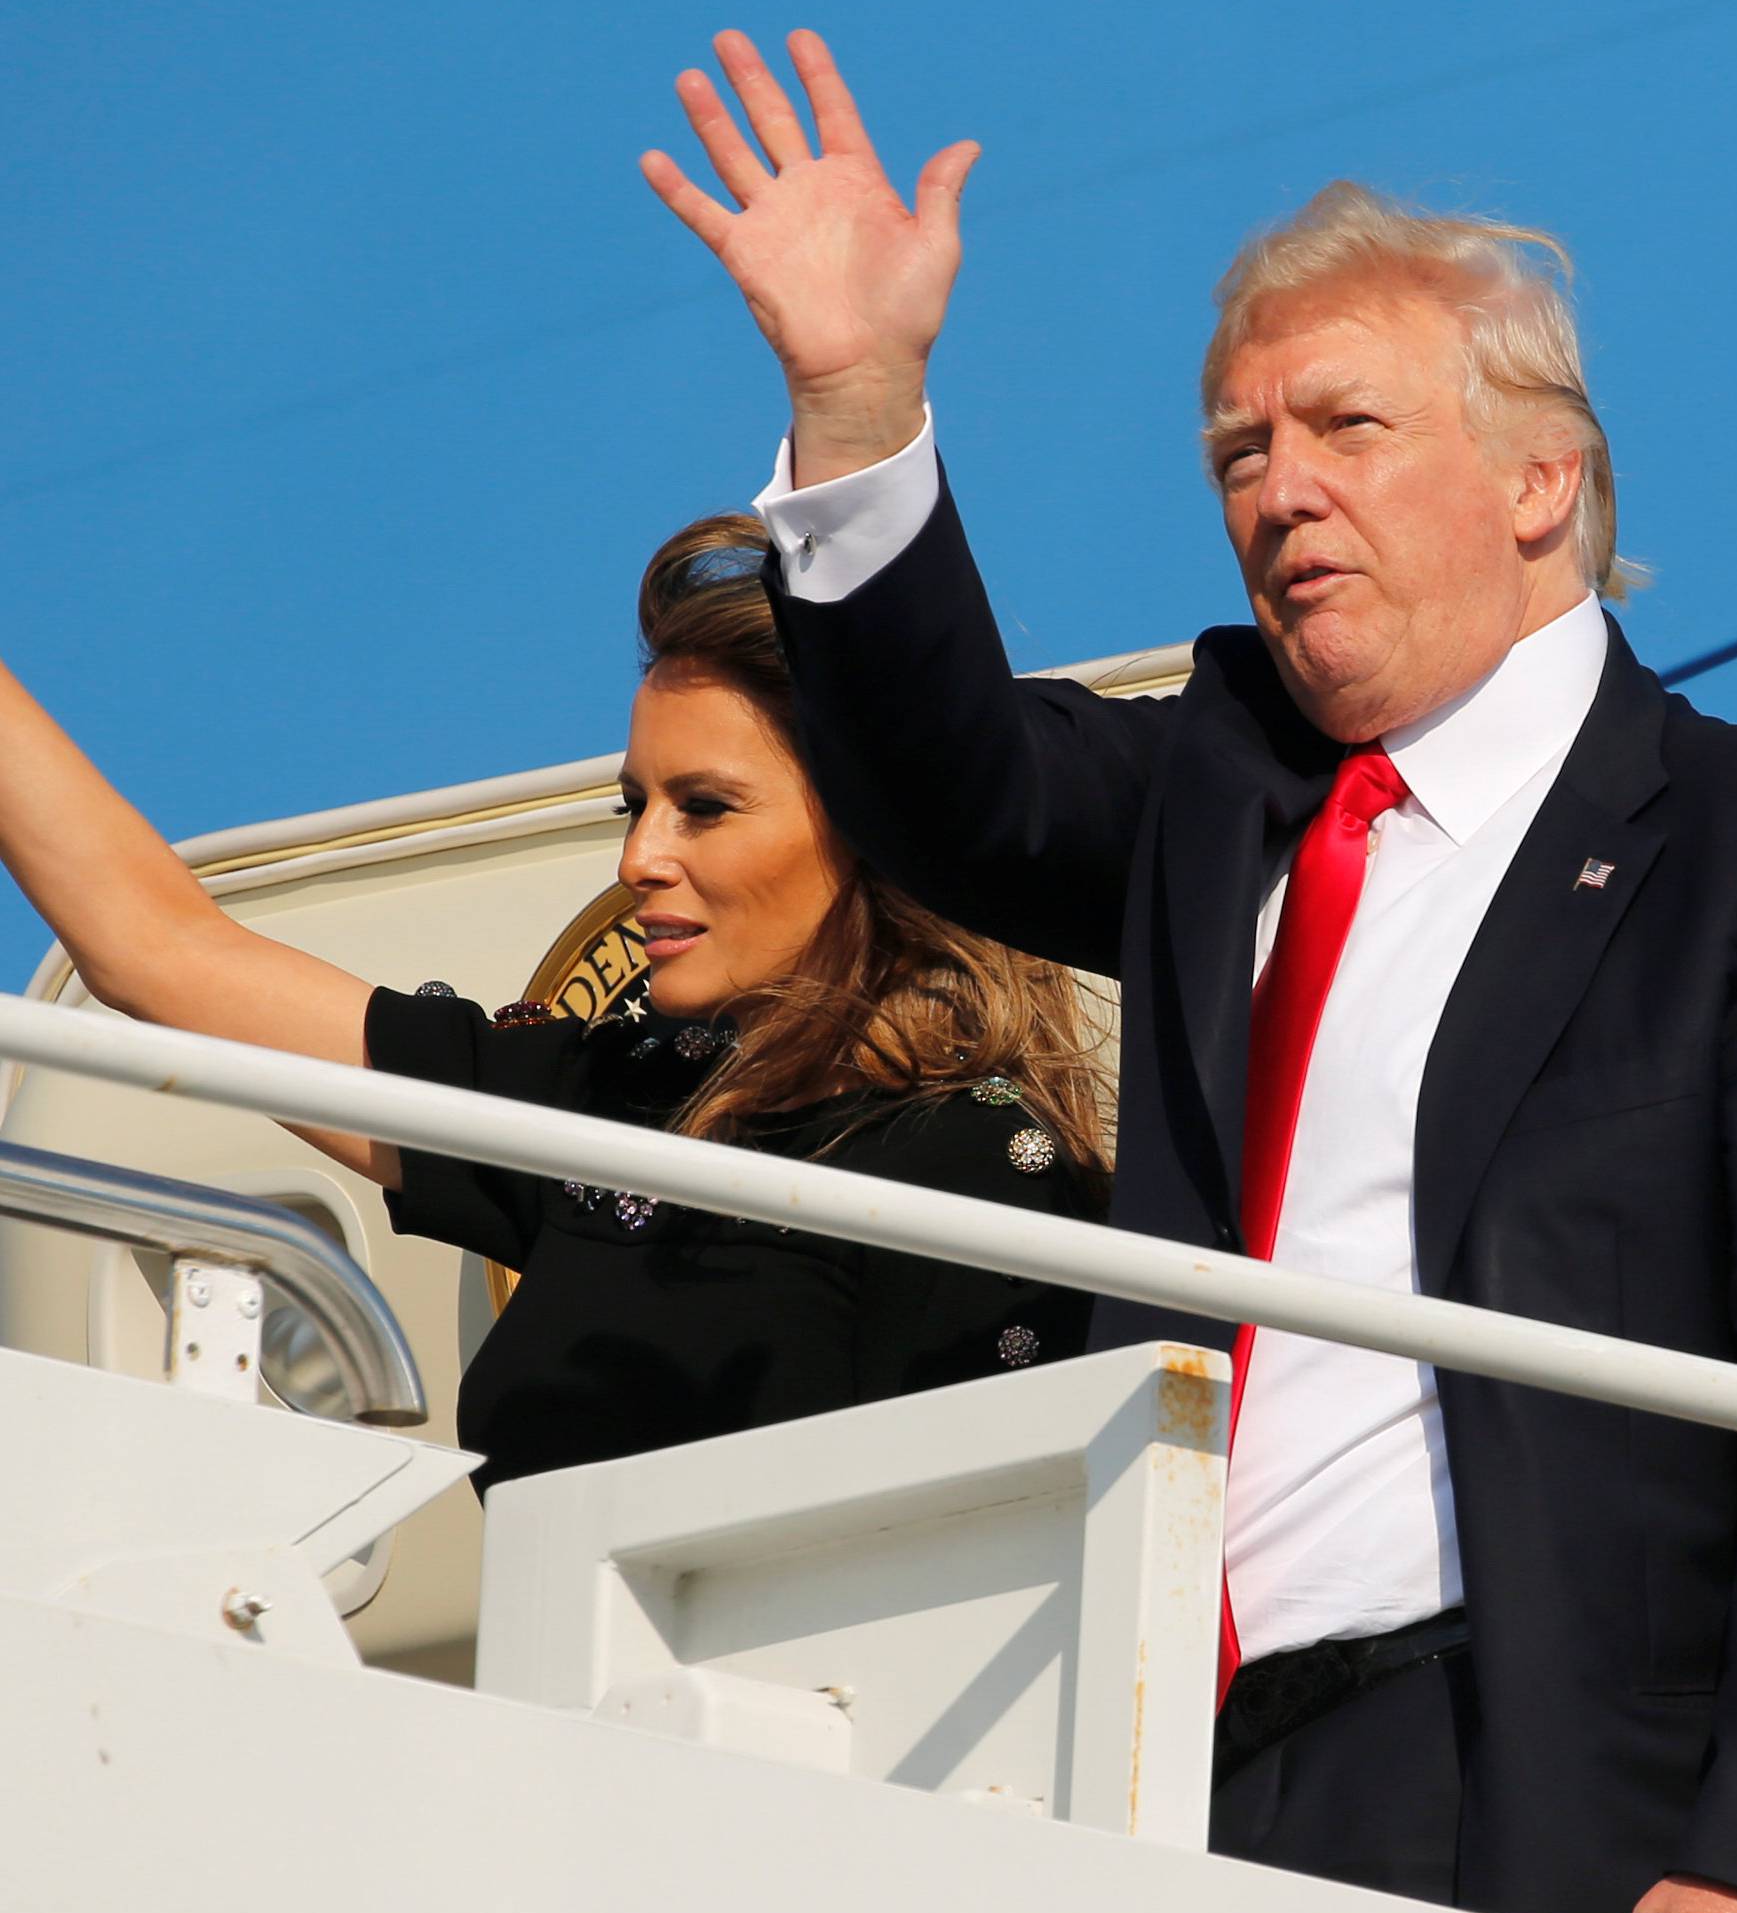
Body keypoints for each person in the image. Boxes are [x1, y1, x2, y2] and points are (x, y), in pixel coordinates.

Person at [639, 28, 1737, 1913]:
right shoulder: (1219, 788)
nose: (1280, 490)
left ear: (1536, 481)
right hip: (1166, 1781)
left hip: (1554, 1792)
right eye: (1241, 450)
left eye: (1344, 428)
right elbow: (947, 778)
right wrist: (857, 396)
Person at [0, 511, 1107, 1494]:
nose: (639, 856)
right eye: (636, 804)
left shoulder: (982, 1167)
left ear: (879, 830)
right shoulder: (604, 1098)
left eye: (704, 808)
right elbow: (157, 952)